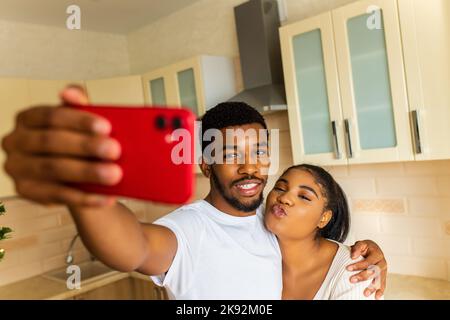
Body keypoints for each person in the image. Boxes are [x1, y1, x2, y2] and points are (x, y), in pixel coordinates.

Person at [1, 86, 387, 299]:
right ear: (205, 163)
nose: (250, 167)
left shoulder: (272, 218)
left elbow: (322, 246)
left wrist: (369, 250)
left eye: (259, 153)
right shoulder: (188, 230)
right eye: (231, 154)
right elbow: (134, 246)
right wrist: (87, 195)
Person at [265, 164, 381, 299]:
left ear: (323, 218)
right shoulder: (252, 232)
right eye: (279, 188)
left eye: (304, 197)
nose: (284, 198)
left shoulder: (354, 274)